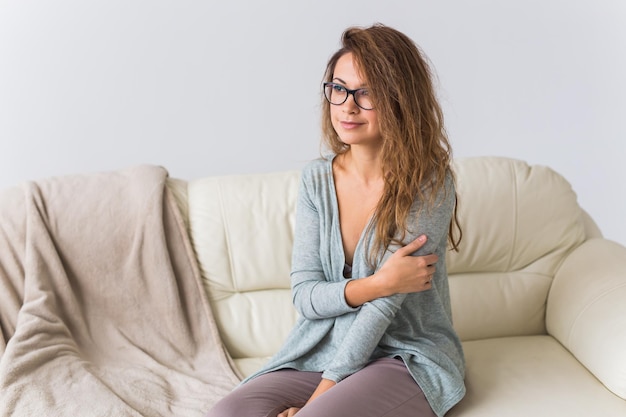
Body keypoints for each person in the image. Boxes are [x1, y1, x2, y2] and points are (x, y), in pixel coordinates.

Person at [206, 23, 465, 417]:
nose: (347, 105)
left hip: (405, 357)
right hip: (323, 349)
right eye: (339, 88)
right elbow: (305, 296)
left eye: (367, 93)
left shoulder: (428, 182)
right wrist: (378, 282)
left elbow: (383, 309)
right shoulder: (316, 180)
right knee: (227, 413)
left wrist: (317, 399)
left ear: (399, 99)